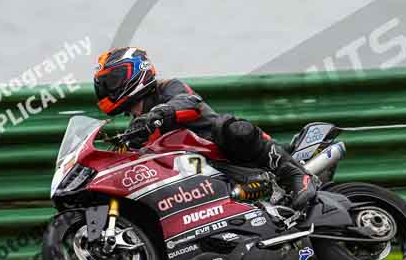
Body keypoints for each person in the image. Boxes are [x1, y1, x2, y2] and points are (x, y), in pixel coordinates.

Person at [93, 47, 317, 209]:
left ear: (135, 73)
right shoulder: (136, 128)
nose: (107, 89)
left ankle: (295, 174)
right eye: (104, 84)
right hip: (198, 181)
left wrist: (159, 114)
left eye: (112, 81)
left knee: (231, 128)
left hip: (229, 155)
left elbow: (188, 102)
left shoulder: (169, 89)